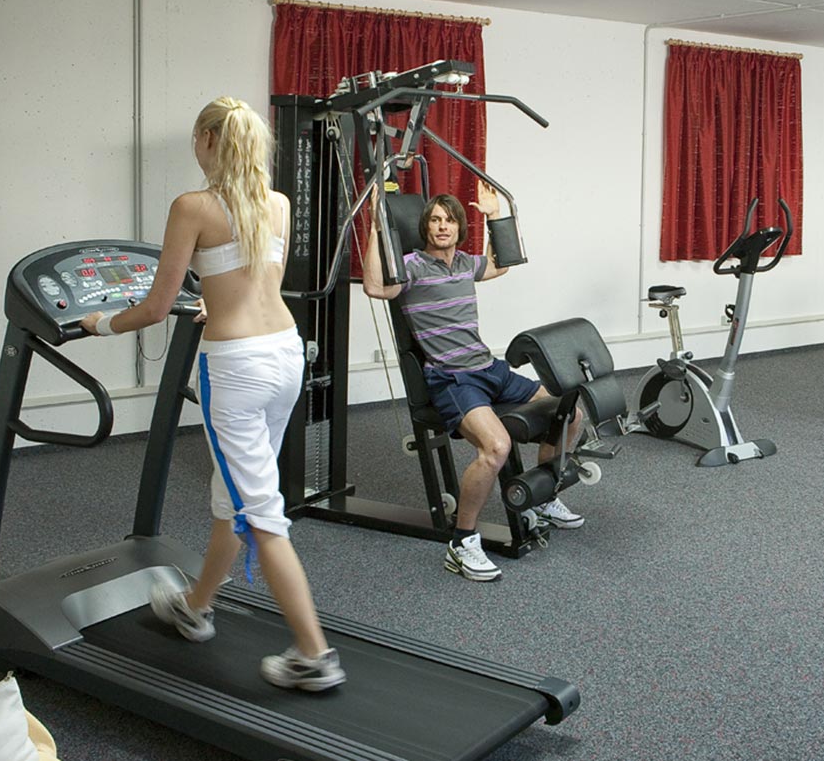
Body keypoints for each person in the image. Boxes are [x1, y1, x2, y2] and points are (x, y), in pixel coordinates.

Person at [80, 96, 343, 691]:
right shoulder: (275, 204)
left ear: (205, 138)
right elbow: (254, 280)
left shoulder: (192, 206)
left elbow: (151, 306)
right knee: (238, 490)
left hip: (237, 368)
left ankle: (313, 653)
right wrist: (214, 299)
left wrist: (99, 326)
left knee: (260, 511)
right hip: (284, 354)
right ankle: (196, 606)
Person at [362, 183, 585, 582]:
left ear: (459, 227)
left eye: (449, 220)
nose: (442, 227)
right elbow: (377, 288)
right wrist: (377, 228)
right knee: (495, 447)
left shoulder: (466, 263)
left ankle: (543, 499)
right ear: (425, 228)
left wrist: (495, 215)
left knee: (569, 412)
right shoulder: (411, 265)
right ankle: (462, 542)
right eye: (434, 220)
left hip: (490, 369)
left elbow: (502, 264)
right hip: (452, 378)